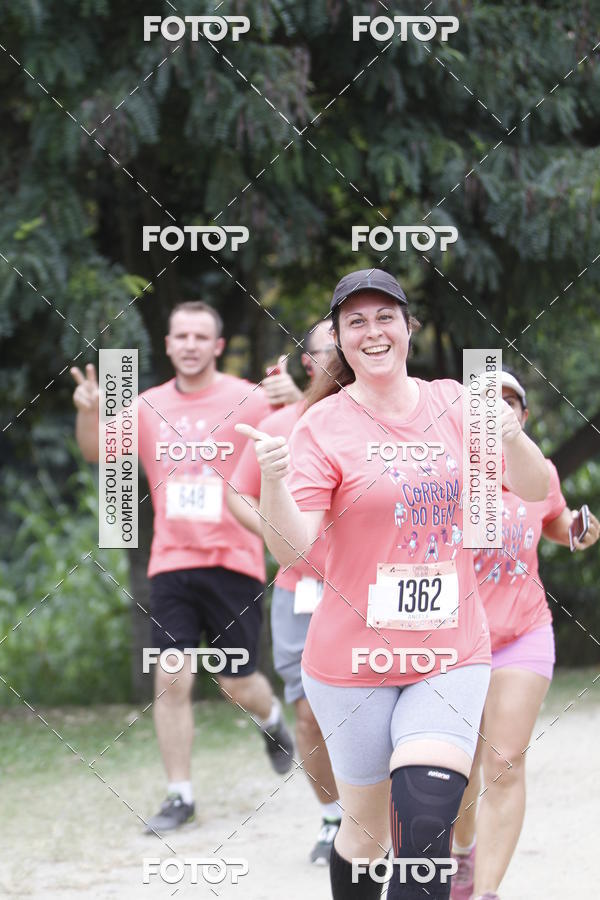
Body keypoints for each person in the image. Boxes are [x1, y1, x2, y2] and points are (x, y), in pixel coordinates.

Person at [236, 268, 551, 899]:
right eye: (356, 321)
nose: (372, 331)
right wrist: (272, 481)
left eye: (386, 317)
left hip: (450, 649)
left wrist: (512, 437)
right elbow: (293, 545)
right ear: (340, 339)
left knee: (429, 817)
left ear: (409, 328)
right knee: (368, 832)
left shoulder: (456, 405)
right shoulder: (322, 426)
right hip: (352, 657)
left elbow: (537, 490)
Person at [71, 300, 301, 834]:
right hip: (171, 563)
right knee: (171, 676)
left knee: (235, 682)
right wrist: (88, 410)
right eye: (182, 336)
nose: (191, 344)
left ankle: (271, 721)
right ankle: (180, 795)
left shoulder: (248, 399)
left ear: (217, 346)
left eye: (202, 336)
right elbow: (95, 451)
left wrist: (296, 401)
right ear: (169, 345)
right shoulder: (147, 407)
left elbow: (303, 438)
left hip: (235, 561)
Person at [450, 369, 600, 900]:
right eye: (488, 403)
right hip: (456, 640)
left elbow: (558, 522)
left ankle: (486, 891)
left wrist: (580, 529)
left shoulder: (539, 473)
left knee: (505, 763)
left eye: (510, 402)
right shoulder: (447, 471)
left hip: (523, 631)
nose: (499, 411)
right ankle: (463, 854)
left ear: (524, 416)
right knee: (457, 767)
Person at [228, 319, 341, 865]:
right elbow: (236, 495)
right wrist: (284, 535)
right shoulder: (281, 425)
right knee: (309, 714)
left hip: (381, 594)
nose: (340, 359)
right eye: (328, 351)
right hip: (303, 591)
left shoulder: (390, 419)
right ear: (308, 362)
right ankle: (333, 817)